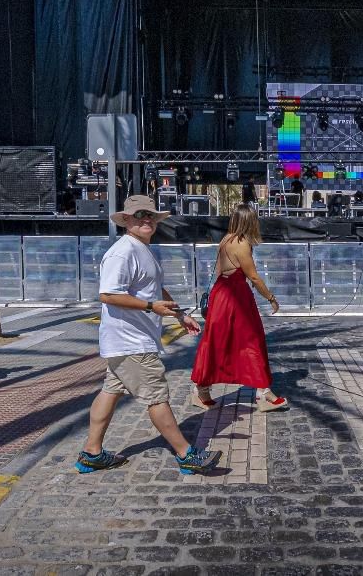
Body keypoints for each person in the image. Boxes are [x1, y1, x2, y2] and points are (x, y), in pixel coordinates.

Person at [74, 196, 218, 476]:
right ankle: (185, 454)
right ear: (126, 220)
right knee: (156, 395)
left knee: (110, 390)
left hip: (128, 340)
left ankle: (92, 453)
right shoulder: (123, 252)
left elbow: (153, 288)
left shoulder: (142, 249)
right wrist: (152, 307)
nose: (146, 220)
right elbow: (108, 294)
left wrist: (179, 314)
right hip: (130, 340)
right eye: (139, 215)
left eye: (151, 215)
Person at [191, 204, 289, 413]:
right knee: (252, 340)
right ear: (250, 221)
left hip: (221, 294)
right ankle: (264, 394)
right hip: (236, 297)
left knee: (216, 341)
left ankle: (202, 391)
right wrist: (271, 298)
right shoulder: (242, 243)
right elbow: (253, 276)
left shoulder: (226, 238)